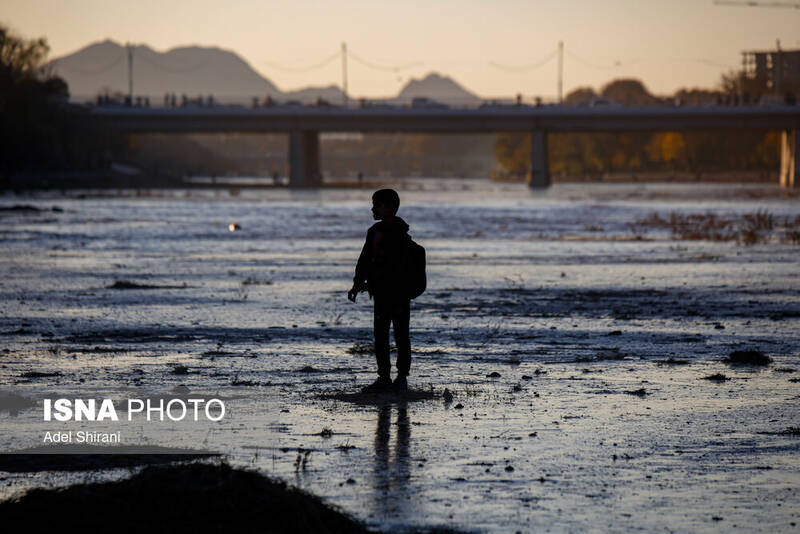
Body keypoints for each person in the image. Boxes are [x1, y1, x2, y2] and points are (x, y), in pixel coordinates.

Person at [348, 189, 412, 392]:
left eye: (377, 204)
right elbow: (365, 259)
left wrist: (369, 283)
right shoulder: (374, 232)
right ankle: (384, 377)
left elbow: (394, 267)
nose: (373, 208)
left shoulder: (401, 235)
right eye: (373, 204)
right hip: (382, 293)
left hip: (399, 293)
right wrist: (358, 282)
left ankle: (401, 378)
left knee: (401, 335)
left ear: (390, 207)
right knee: (381, 335)